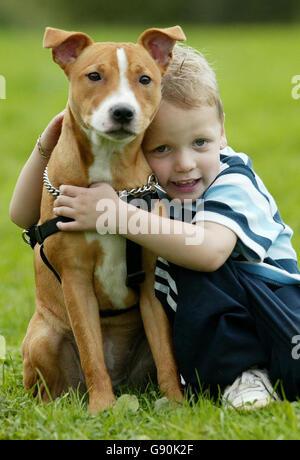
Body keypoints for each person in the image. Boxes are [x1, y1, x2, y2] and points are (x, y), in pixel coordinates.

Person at [10, 44, 300, 410]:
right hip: (223, 319)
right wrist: (48, 145)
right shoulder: (148, 184)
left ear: (222, 132)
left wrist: (113, 215)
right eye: (161, 148)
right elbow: (22, 217)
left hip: (277, 314)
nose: (184, 164)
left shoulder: (234, 180)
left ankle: (248, 373)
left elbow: (208, 252)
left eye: (200, 142)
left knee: (193, 269)